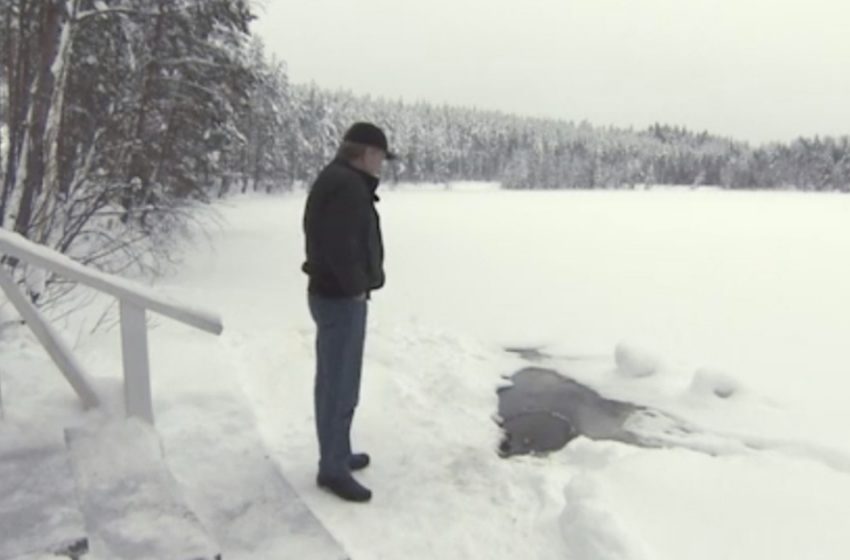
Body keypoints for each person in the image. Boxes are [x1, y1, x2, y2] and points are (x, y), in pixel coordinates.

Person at [301, 122, 395, 502]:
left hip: (337, 295)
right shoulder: (346, 187)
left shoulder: (343, 181)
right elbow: (339, 245)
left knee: (340, 381)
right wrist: (356, 287)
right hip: (340, 298)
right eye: (381, 157)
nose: (382, 165)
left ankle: (338, 453)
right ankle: (332, 468)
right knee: (338, 385)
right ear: (367, 153)